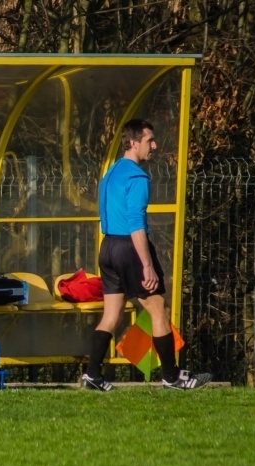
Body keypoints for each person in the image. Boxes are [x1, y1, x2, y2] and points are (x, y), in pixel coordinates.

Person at [81, 119, 212, 391]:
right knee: (159, 310)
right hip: (130, 249)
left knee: (112, 314)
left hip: (108, 248)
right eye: (149, 140)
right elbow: (136, 223)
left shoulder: (110, 173)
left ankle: (92, 375)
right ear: (133, 143)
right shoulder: (138, 177)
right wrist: (148, 265)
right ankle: (172, 376)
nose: (154, 145)